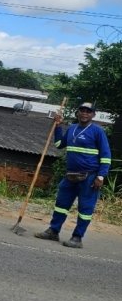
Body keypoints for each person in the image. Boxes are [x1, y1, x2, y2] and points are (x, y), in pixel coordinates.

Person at [35, 102, 111, 249]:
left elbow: (106, 156)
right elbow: (58, 144)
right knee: (61, 204)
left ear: (93, 115)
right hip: (70, 175)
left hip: (89, 177)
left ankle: (77, 238)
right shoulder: (72, 129)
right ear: (78, 113)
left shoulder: (97, 131)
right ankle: (53, 231)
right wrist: (57, 126)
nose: (84, 113)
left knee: (85, 208)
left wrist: (101, 176)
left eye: (88, 111)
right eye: (82, 111)